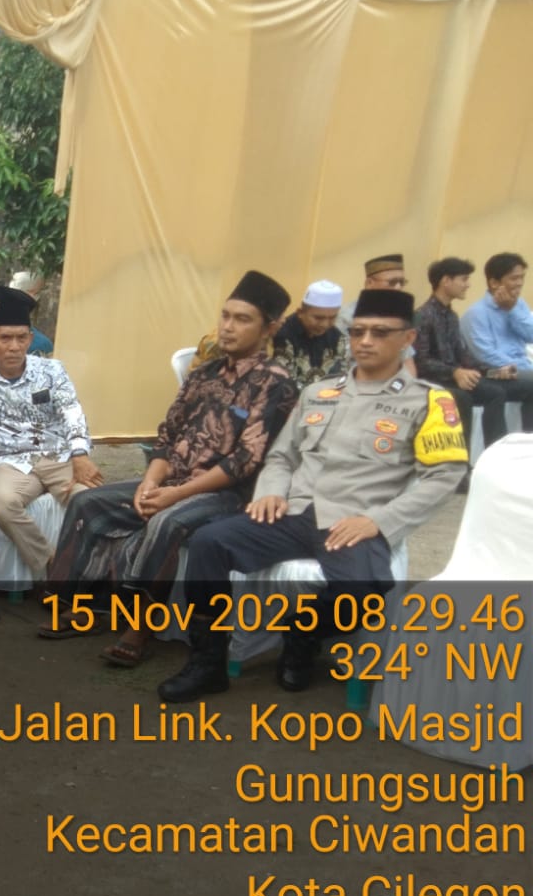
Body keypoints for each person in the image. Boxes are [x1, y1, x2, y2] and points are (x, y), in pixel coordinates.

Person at [157, 289, 468, 703]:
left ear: (407, 338)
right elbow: (282, 455)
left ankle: (302, 634)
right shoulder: (318, 393)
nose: (365, 341)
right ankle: (207, 662)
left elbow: (444, 475)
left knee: (362, 592)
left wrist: (379, 522)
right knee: (210, 543)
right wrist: (271, 492)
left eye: (380, 332)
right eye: (357, 331)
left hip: (353, 521)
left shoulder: (428, 401)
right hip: (293, 512)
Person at [44, 272, 299, 665]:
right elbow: (167, 435)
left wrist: (175, 495)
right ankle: (79, 606)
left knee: (168, 521)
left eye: (242, 319)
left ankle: (139, 628)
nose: (228, 326)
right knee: (87, 503)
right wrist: (149, 483)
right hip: (172, 479)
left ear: (269, 328)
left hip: (226, 494)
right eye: (226, 315)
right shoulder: (203, 374)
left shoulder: (275, 383)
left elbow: (245, 460)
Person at [0, 288, 102, 578]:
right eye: (5, 338)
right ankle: (51, 565)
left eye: (21, 338)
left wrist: (79, 454)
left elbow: (71, 410)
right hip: (11, 463)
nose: (14, 347)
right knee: (2, 504)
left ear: (30, 339)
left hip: (60, 458)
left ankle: (92, 572)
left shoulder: (52, 371)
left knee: (92, 501)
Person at [417, 256, 532, 450]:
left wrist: (495, 372)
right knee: (487, 394)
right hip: (436, 379)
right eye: (463, 279)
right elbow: (421, 361)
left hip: (459, 376)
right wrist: (454, 372)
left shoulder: (451, 316)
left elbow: (464, 356)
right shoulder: (423, 315)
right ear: (446, 281)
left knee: (520, 388)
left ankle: (522, 449)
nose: (468, 285)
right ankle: (481, 453)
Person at [463, 251, 533, 391]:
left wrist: (512, 310)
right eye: (514, 278)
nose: (520, 283)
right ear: (494, 283)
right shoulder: (476, 313)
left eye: (522, 278)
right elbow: (486, 356)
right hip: (495, 373)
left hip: (523, 368)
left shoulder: (518, 304)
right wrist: (526, 368)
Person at [272, 280, 347, 388]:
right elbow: (285, 383)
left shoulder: (337, 336)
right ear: (300, 313)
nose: (325, 324)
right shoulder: (284, 334)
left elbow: (341, 376)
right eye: (318, 318)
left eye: (332, 318)